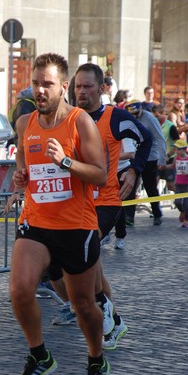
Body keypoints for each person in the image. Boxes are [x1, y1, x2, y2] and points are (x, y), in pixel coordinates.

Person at [9, 52, 110, 375]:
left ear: (63, 86)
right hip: (36, 222)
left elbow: (100, 174)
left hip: (76, 226)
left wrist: (66, 161)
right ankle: (39, 354)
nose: (40, 90)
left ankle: (96, 359)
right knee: (20, 290)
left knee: (82, 304)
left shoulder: (81, 122)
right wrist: (21, 177)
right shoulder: (25, 124)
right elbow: (25, 164)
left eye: (47, 84)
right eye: (36, 83)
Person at [51, 64, 152, 352]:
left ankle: (102, 309)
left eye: (88, 86)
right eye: (78, 87)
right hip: (75, 202)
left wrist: (134, 170)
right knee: (86, 260)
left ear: (102, 89)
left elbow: (147, 141)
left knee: (82, 248)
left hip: (106, 200)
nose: (82, 91)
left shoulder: (116, 117)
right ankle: (112, 316)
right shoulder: (69, 118)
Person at [124, 99, 167, 226]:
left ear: (141, 109)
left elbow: (160, 138)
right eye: (133, 115)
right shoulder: (129, 118)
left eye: (137, 114)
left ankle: (157, 213)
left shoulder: (150, 118)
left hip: (150, 158)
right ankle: (129, 217)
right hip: (135, 156)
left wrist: (162, 158)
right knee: (130, 186)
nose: (135, 117)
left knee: (150, 187)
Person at [152, 104, 179, 191]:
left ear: (163, 113)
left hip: (169, 159)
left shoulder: (170, 126)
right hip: (156, 158)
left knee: (170, 185)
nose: (155, 118)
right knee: (154, 183)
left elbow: (177, 143)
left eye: (157, 116)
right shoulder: (153, 125)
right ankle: (155, 204)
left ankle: (180, 201)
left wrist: (168, 155)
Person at [167, 140, 188, 228]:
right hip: (179, 183)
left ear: (183, 150)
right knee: (177, 202)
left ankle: (187, 220)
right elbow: (173, 166)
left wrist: (187, 173)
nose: (176, 151)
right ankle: (182, 211)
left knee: (186, 203)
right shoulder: (176, 158)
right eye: (176, 149)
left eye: (178, 149)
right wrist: (163, 166)